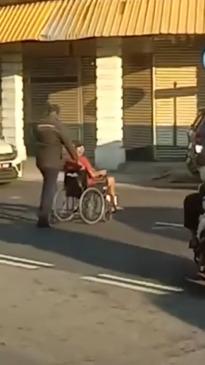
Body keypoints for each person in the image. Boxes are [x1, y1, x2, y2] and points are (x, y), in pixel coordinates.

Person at [33, 103, 77, 228]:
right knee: (49, 187)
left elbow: (36, 137)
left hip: (40, 160)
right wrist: (76, 158)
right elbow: (68, 144)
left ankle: (47, 209)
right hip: (53, 162)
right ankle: (44, 217)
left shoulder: (38, 124)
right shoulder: (58, 125)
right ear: (57, 113)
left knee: (49, 185)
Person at [73, 142, 121, 211]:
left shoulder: (72, 160)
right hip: (89, 183)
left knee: (108, 180)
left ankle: (111, 201)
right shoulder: (83, 160)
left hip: (77, 183)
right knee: (111, 180)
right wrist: (101, 172)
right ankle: (113, 204)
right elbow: (93, 174)